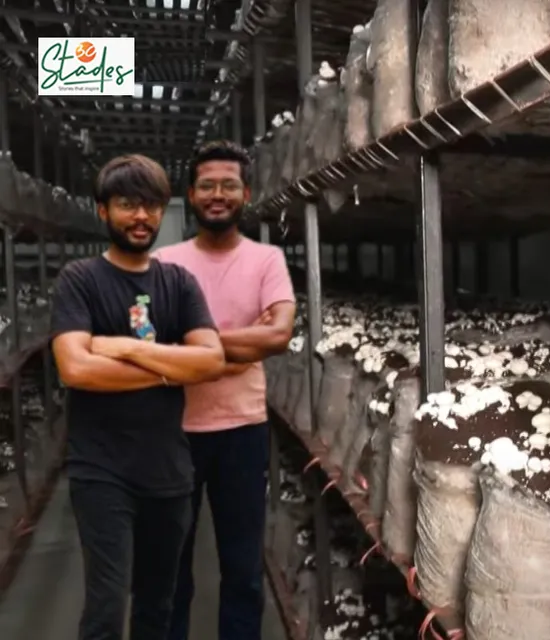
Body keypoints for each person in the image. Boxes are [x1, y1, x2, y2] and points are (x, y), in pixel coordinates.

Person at [50, 154, 226, 640]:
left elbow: (211, 362)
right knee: (106, 608)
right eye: (127, 204)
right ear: (103, 211)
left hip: (168, 471)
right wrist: (172, 367)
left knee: (159, 605)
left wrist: (126, 349)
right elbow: (75, 368)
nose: (142, 216)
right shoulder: (78, 281)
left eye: (151, 204)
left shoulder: (178, 283)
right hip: (101, 470)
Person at [155, 140, 295, 640]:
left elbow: (278, 335)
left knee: (242, 569)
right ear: (191, 195)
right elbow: (148, 341)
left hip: (242, 432)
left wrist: (192, 344)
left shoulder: (267, 260)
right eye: (208, 185)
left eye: (229, 185)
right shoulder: (163, 264)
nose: (218, 194)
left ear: (246, 194)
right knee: (169, 569)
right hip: (173, 433)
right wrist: (239, 346)